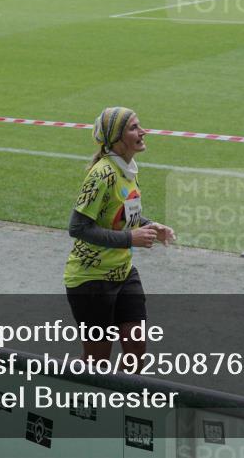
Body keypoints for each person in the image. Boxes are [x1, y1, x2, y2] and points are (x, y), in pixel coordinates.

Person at [64, 107, 175, 364]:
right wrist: (130, 239)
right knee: (97, 363)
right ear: (116, 137)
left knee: (136, 351)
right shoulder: (102, 174)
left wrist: (151, 226)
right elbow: (78, 227)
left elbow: (122, 217)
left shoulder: (127, 169)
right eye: (134, 127)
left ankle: (122, 402)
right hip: (91, 280)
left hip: (123, 272)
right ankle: (77, 394)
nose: (143, 131)